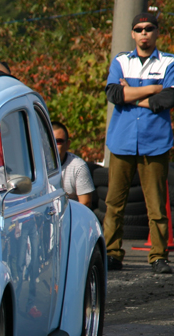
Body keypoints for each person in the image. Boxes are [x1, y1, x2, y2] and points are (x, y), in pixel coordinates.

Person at [104, 12, 174, 273]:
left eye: (149, 28)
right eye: (139, 29)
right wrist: (153, 89)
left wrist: (130, 95)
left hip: (155, 142)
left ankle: (158, 256)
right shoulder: (120, 61)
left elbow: (166, 100)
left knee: (156, 206)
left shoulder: (169, 62)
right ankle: (112, 253)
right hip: (121, 141)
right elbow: (113, 93)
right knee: (114, 203)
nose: (144, 33)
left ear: (157, 32)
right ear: (132, 33)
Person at [51, 121, 95, 208]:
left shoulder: (78, 167)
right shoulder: (34, 166)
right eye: (50, 140)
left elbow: (85, 203)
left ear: (68, 144)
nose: (53, 145)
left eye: (58, 141)